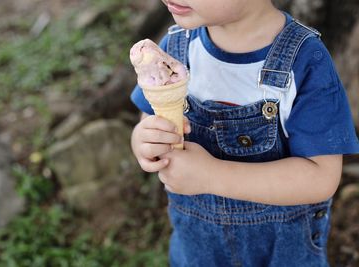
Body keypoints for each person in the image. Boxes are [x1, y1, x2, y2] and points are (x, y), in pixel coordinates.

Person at [130, 0, 359, 266]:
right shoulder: (176, 49)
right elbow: (148, 121)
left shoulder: (305, 60)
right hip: (197, 252)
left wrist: (211, 175)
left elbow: (321, 178)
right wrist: (144, 141)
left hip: (280, 254)